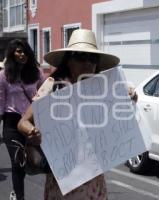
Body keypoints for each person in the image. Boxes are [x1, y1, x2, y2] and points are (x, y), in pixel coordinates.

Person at [17, 29, 136, 200]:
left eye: (92, 58)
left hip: (93, 182)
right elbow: (23, 122)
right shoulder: (53, 87)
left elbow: (121, 119)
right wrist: (32, 132)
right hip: (62, 182)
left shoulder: (104, 89)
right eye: (80, 56)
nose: (87, 63)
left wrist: (130, 97)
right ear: (69, 61)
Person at [0, 39, 44, 200]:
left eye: (25, 51)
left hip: (31, 122)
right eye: (18, 51)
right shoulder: (4, 76)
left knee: (33, 162)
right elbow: (0, 102)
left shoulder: (37, 73)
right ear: (12, 53)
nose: (22, 54)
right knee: (17, 161)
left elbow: (46, 92)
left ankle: (16, 191)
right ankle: (19, 196)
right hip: (11, 124)